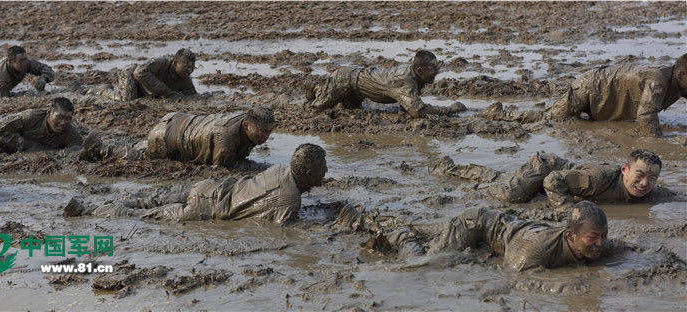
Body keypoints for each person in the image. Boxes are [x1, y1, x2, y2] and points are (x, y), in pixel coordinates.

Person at [64, 143, 328, 225]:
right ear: (305, 171)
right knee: (141, 216)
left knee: (147, 201)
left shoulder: (281, 168)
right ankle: (86, 211)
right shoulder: (289, 201)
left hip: (207, 187)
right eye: (321, 168)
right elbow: (283, 228)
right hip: (201, 211)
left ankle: (95, 205)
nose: (326, 172)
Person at [337, 201, 609, 271]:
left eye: (603, 237)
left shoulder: (595, 244)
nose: (599, 245)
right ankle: (400, 236)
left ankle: (359, 218)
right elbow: (515, 275)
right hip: (475, 225)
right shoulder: (533, 251)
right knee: (421, 265)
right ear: (570, 236)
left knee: (431, 233)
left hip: (494, 224)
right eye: (592, 238)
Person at [478, 54, 687, 136]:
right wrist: (659, 142)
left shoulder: (679, 82)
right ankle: (498, 114)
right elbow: (646, 115)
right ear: (680, 74)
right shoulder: (659, 79)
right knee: (549, 119)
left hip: (600, 89)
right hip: (588, 88)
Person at [431, 149, 674, 209]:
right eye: (640, 175)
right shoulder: (597, 179)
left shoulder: (650, 190)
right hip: (548, 168)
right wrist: (566, 210)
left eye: (652, 178)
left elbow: (674, 197)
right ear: (624, 170)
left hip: (567, 177)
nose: (645, 184)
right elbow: (552, 181)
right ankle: (456, 174)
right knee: (510, 194)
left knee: (508, 179)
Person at [79, 107, 274, 170]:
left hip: (179, 123)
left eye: (268, 132)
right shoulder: (226, 138)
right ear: (247, 125)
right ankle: (100, 149)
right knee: (145, 158)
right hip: (168, 136)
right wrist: (262, 168)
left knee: (142, 147)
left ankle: (105, 145)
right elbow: (223, 170)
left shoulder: (246, 121)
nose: (265, 137)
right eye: (261, 132)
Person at [304, 50, 466, 118]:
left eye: (436, 69)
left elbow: (407, 104)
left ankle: (317, 89)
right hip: (345, 80)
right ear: (419, 70)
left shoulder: (415, 76)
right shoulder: (406, 81)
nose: (435, 74)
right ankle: (300, 98)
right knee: (313, 109)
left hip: (357, 88)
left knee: (350, 110)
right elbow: (417, 111)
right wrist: (448, 109)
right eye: (432, 71)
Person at [82, 48, 197, 102]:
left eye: (192, 67)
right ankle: (102, 90)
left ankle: (116, 88)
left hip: (144, 89)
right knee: (127, 100)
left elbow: (192, 96)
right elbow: (139, 73)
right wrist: (165, 91)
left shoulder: (184, 78)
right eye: (186, 67)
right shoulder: (161, 63)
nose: (190, 70)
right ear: (176, 63)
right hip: (130, 74)